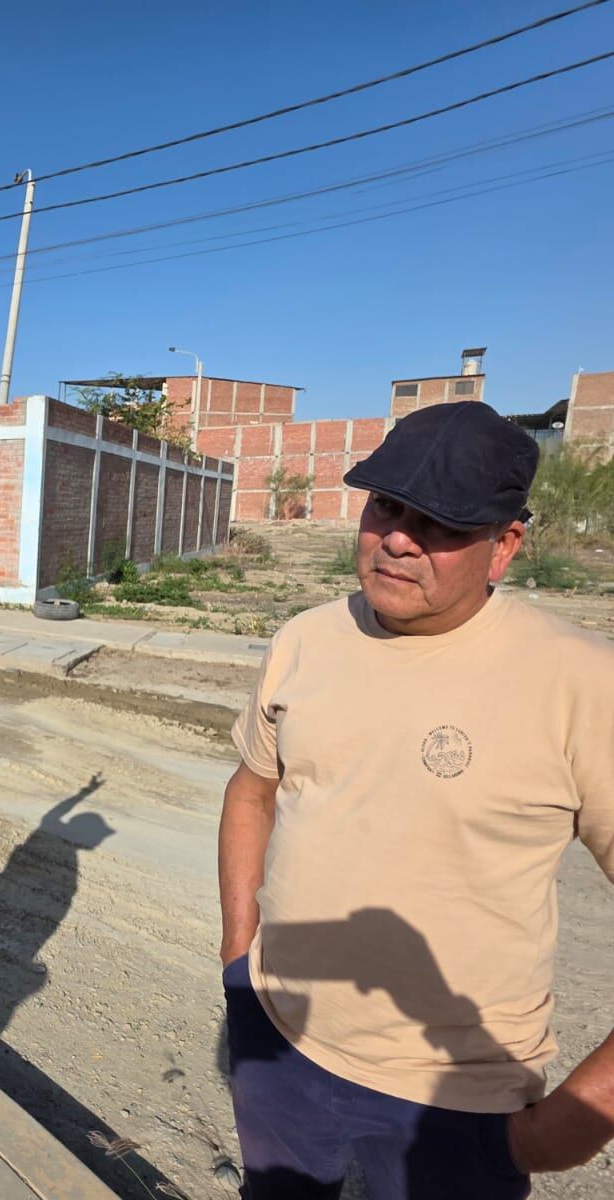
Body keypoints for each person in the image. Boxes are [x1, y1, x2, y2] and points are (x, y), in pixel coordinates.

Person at [217, 401, 614, 1198]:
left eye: (440, 522)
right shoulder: (306, 639)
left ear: (505, 545)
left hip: (452, 1103)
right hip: (279, 1049)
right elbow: (253, 789)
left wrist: (565, 1123)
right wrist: (239, 957)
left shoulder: (580, 682)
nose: (399, 538)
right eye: (387, 506)